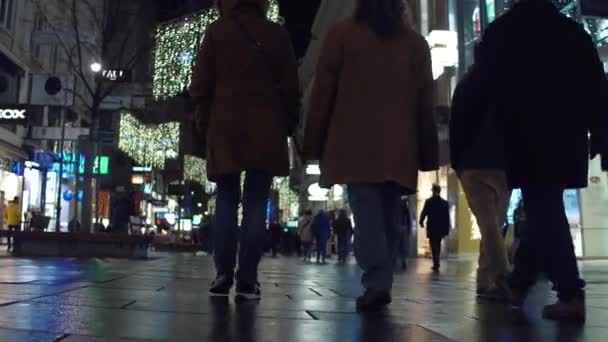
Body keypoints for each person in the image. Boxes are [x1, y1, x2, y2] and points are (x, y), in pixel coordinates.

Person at [476, 0, 607, 321]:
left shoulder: (501, 32)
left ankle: (569, 290)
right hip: (567, 135)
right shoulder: (571, 31)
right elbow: (596, 87)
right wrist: (600, 133)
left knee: (543, 205)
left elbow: (485, 88)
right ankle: (520, 282)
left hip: (525, 135)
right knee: (541, 205)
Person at [304, 0, 438, 311]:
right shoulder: (415, 44)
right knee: (388, 217)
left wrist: (313, 142)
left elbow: (323, 93)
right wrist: (427, 152)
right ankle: (381, 281)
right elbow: (425, 105)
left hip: (353, 145)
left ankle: (378, 280)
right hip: (399, 147)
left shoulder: (341, 35)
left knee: (367, 216)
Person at [190, 0, 299, 301]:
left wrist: (203, 121)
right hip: (265, 128)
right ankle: (248, 279)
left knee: (225, 199)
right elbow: (291, 87)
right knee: (255, 202)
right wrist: (287, 123)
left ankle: (223, 273)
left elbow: (200, 85)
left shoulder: (217, 32)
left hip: (225, 127)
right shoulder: (276, 34)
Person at [449, 45, 512, 300]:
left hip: (473, 165)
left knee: (489, 225)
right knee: (493, 223)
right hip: (502, 164)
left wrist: (458, 163)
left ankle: (490, 279)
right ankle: (499, 278)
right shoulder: (507, 85)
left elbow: (456, 127)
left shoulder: (466, 84)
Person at [419, 185, 450, 272]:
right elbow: (447, 218)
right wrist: (447, 229)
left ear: (433, 191)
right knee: (438, 244)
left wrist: (421, 221)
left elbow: (424, 212)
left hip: (432, 227)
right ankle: (437, 261)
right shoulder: (444, 203)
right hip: (441, 228)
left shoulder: (429, 201)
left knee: (433, 245)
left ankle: (436, 262)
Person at [395, 198, 412, 270]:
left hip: (396, 227)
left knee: (397, 245)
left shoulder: (392, 203)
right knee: (403, 245)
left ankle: (398, 261)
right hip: (403, 228)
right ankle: (403, 261)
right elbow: (408, 218)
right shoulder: (404, 205)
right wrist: (408, 229)